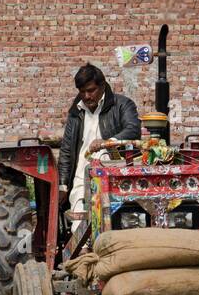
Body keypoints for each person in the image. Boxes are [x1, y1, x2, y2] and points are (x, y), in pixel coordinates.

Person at [58, 64, 140, 217]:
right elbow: (66, 150)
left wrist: (107, 142)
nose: (87, 96)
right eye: (82, 92)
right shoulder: (76, 112)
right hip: (82, 179)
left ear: (102, 86)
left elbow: (133, 130)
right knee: (81, 228)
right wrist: (62, 185)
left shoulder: (122, 104)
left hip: (116, 178)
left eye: (91, 90)